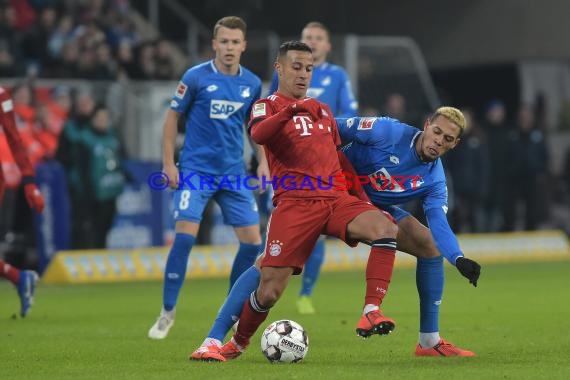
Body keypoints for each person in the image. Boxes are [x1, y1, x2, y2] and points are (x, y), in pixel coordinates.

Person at [190, 106, 482, 360]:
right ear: (427, 124)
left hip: (364, 208)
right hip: (321, 193)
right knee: (267, 271)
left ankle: (428, 341)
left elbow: (438, 224)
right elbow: (330, 128)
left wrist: (457, 258)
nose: (438, 141)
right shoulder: (387, 131)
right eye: (437, 132)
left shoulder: (435, 180)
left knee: (429, 246)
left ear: (454, 144)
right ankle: (214, 340)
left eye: (447, 139)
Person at [191, 40, 399, 361]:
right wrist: (290, 109)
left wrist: (362, 198)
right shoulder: (267, 105)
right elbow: (259, 135)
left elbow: (338, 159)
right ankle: (237, 342)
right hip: (296, 205)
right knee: (270, 289)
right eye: (297, 67)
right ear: (280, 68)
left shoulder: (323, 110)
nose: (303, 75)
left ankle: (371, 309)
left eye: (309, 69)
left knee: (385, 228)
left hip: (334, 199)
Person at [147, 16, 267, 340]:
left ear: (243, 46)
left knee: (253, 244)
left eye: (234, 42)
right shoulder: (195, 77)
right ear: (214, 44)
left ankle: (231, 308)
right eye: (223, 42)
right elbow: (172, 118)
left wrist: (263, 161)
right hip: (196, 171)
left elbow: (254, 128)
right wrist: (168, 163)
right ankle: (167, 312)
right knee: (185, 236)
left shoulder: (252, 83)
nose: (229, 48)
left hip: (233, 173)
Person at [267, 21, 358, 314]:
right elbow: (266, 119)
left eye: (319, 38)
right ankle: (266, 284)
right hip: (289, 167)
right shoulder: (282, 79)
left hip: (323, 164)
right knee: (280, 233)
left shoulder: (337, 76)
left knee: (317, 231)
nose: (314, 42)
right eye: (308, 37)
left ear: (328, 46)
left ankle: (305, 292)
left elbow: (348, 117)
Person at [0, 86, 44, 317]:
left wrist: (29, 182)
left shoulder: (1, 96)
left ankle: (20, 278)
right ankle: (20, 278)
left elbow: (14, 140)